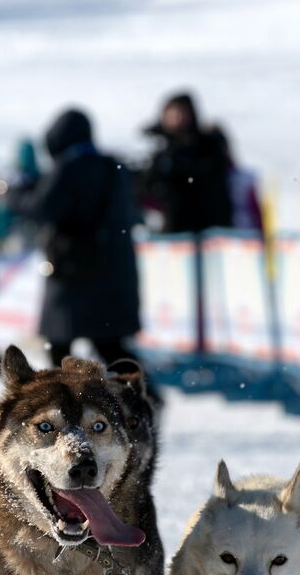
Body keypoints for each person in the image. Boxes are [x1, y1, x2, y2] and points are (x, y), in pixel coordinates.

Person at [20, 107, 150, 379]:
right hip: (113, 271)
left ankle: (68, 403)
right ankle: (141, 398)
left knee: (58, 344)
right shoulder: (113, 166)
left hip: (72, 273)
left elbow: (40, 208)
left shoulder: (68, 167)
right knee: (109, 343)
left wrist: (15, 193)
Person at [139, 90, 235, 234]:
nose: (178, 119)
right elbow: (145, 187)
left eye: (182, 113)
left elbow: (213, 179)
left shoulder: (207, 145)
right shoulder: (155, 148)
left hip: (209, 225)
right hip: (168, 228)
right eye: (173, 114)